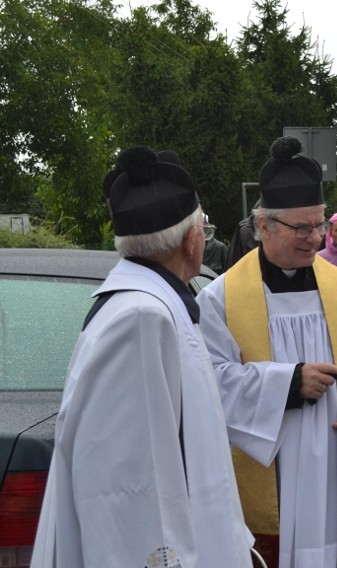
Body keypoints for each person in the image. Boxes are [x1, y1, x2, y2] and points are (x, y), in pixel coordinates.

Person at [32, 147, 251, 567]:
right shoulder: (141, 321)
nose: (204, 235)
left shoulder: (151, 305)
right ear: (191, 242)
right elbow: (133, 494)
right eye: (203, 226)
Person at [196, 137, 337, 568]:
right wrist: (287, 382)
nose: (316, 239)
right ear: (264, 227)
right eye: (302, 228)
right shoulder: (220, 300)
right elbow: (205, 380)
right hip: (268, 469)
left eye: (319, 225)